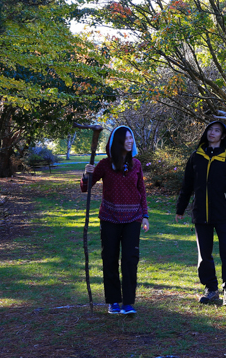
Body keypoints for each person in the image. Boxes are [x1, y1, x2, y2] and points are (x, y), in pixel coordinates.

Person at [175, 121, 226, 306]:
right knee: (204, 255)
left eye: (216, 130)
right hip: (201, 214)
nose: (212, 133)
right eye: (210, 130)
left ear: (223, 135)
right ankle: (210, 289)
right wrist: (180, 208)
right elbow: (187, 185)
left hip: (224, 213)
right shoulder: (196, 157)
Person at [81, 125, 150, 316]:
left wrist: (145, 215)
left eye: (131, 138)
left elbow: (141, 191)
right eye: (126, 138)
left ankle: (128, 302)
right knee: (110, 259)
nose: (130, 141)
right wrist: (86, 174)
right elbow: (85, 188)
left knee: (130, 260)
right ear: (117, 141)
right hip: (110, 218)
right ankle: (113, 301)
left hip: (133, 219)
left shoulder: (136, 164)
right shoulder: (105, 164)